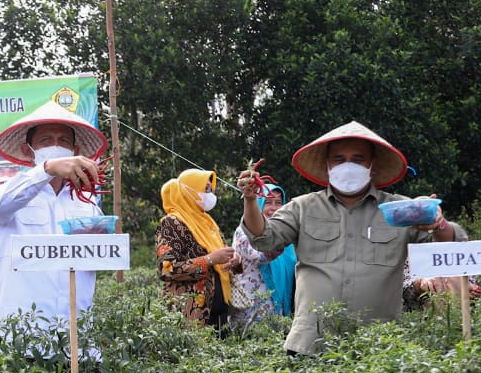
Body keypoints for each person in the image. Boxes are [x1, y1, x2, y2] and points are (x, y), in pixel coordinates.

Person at [237, 120, 465, 355]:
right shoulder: (303, 208)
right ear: (327, 165)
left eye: (358, 160)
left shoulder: (400, 210)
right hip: (311, 343)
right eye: (339, 159)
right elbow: (264, 238)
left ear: (372, 166)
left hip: (379, 348)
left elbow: (451, 247)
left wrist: (438, 222)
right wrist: (251, 199)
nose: (348, 166)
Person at [0, 101, 107, 351]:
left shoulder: (87, 200)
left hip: (76, 342)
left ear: (75, 149)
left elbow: (97, 255)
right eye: (46, 140)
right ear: (28, 151)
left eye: (64, 141)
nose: (56, 146)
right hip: (19, 340)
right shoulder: (5, 189)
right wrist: (47, 169)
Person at [156, 169, 240, 330]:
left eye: (211, 189)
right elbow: (166, 269)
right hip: (191, 310)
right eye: (205, 189)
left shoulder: (207, 221)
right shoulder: (172, 223)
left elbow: (222, 253)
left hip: (219, 307)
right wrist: (209, 260)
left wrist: (234, 260)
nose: (210, 194)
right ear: (189, 191)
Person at [231, 183, 296, 321]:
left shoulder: (284, 234)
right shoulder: (244, 232)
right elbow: (259, 256)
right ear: (257, 204)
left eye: (278, 202)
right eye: (268, 202)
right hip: (252, 308)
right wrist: (278, 246)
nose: (274, 208)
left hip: (279, 308)